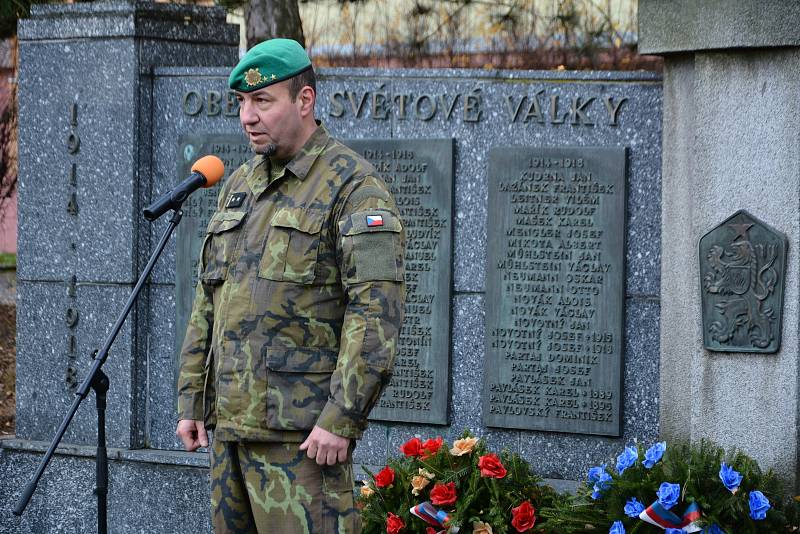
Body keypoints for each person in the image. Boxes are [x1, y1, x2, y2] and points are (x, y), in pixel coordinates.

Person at [175, 38, 405, 533]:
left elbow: (375, 314)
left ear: (305, 101)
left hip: (302, 442)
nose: (247, 117)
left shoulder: (352, 187)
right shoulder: (240, 185)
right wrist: (194, 399)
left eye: (263, 101)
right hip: (230, 435)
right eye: (241, 103)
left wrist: (341, 418)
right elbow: (208, 301)